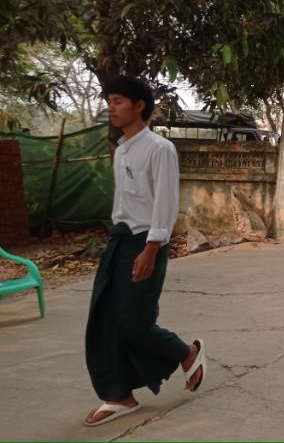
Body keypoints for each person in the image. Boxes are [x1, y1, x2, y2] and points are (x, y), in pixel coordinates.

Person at [84, 76, 206, 427]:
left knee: (135, 324)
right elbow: (124, 204)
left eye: (118, 101)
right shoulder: (122, 150)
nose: (111, 107)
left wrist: (151, 249)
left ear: (139, 105)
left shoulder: (159, 149)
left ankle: (186, 353)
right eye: (109, 101)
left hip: (145, 243)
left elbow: (165, 203)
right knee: (106, 320)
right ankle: (120, 395)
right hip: (120, 242)